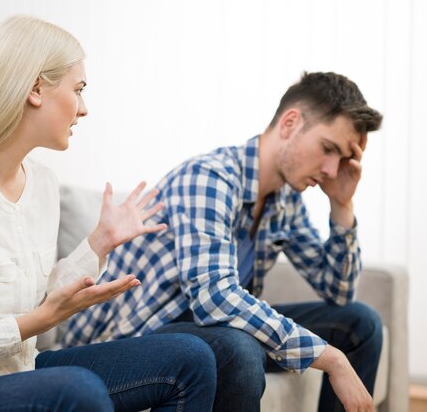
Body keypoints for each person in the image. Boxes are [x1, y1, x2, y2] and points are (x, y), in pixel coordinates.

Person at [0, 15, 217, 412]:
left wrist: (99, 244)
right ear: (36, 89)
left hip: (16, 373)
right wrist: (37, 322)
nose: (83, 109)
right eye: (78, 90)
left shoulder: (43, 184)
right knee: (76, 390)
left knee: (192, 357)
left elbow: (37, 298)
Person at [65, 71, 384, 412]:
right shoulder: (211, 177)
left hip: (205, 331)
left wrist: (342, 206)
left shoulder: (285, 200)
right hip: (134, 337)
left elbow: (338, 291)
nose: (332, 170)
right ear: (290, 123)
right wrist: (330, 358)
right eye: (327, 149)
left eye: (342, 158)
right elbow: (215, 300)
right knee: (239, 347)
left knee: (359, 323)